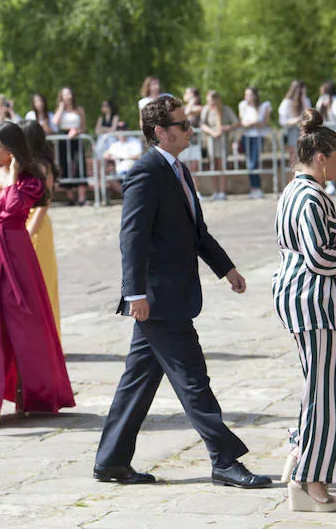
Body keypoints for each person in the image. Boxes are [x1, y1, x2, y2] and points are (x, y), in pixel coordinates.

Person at [94, 95, 270, 489]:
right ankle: (224, 460)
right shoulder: (145, 173)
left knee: (137, 381)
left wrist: (226, 268)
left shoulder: (179, 170)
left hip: (170, 295)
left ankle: (111, 460)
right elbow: (132, 238)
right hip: (158, 299)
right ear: (160, 131)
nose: (190, 130)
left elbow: (197, 233)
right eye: (183, 124)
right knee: (194, 380)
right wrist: (134, 292)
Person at [272, 108, 336, 512]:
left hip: (312, 300)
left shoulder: (298, 192)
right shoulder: (310, 196)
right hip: (312, 302)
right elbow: (322, 258)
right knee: (325, 389)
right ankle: (310, 479)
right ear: (319, 158)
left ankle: (301, 446)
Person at [0, 121, 74, 424]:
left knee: (26, 326)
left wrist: (12, 178)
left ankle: (36, 394)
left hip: (17, 254)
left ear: (13, 149)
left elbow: (14, 208)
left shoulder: (30, 181)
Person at [20, 120, 62, 338]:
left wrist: (29, 232)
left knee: (42, 282)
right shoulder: (20, 164)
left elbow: (44, 204)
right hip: (21, 222)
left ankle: (48, 337)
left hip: (36, 224)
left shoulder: (42, 167)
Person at [52, 87, 89, 205]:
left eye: (69, 93)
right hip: (63, 138)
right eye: (65, 94)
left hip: (76, 137)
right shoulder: (59, 109)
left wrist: (77, 131)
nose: (68, 96)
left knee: (80, 165)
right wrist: (62, 108)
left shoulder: (79, 109)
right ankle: (70, 197)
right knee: (65, 165)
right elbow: (55, 123)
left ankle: (82, 197)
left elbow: (84, 126)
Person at [199, 90, 239, 201]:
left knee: (222, 166)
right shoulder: (206, 110)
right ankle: (215, 191)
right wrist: (212, 132)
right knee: (213, 166)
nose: (210, 103)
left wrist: (225, 128)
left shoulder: (226, 110)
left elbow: (236, 123)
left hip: (223, 143)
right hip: (210, 142)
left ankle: (222, 191)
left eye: (211, 101)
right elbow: (202, 124)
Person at [238, 86, 272, 198]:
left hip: (257, 136)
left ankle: (257, 187)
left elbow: (264, 122)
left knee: (253, 163)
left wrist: (252, 123)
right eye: (246, 94)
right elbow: (243, 121)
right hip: (246, 137)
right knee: (249, 163)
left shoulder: (263, 106)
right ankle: (254, 188)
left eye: (249, 94)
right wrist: (254, 123)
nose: (247, 97)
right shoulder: (242, 105)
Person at [278, 80, 313, 180]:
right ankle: (294, 179)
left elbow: (309, 114)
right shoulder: (287, 103)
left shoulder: (306, 100)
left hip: (304, 132)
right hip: (292, 131)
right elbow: (282, 121)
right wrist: (296, 120)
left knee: (306, 158)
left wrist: (303, 100)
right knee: (294, 158)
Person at [315, 82, 336, 195]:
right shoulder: (321, 100)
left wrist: (329, 107)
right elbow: (318, 116)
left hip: (335, 131)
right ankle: (330, 184)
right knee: (325, 159)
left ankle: (332, 184)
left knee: (333, 158)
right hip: (325, 132)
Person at [180, 87, 204, 187]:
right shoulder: (183, 107)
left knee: (194, 167)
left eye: (187, 93)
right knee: (183, 167)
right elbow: (183, 115)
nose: (185, 95)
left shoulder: (199, 107)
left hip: (194, 141)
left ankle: (196, 191)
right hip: (182, 141)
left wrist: (191, 103)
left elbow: (188, 113)